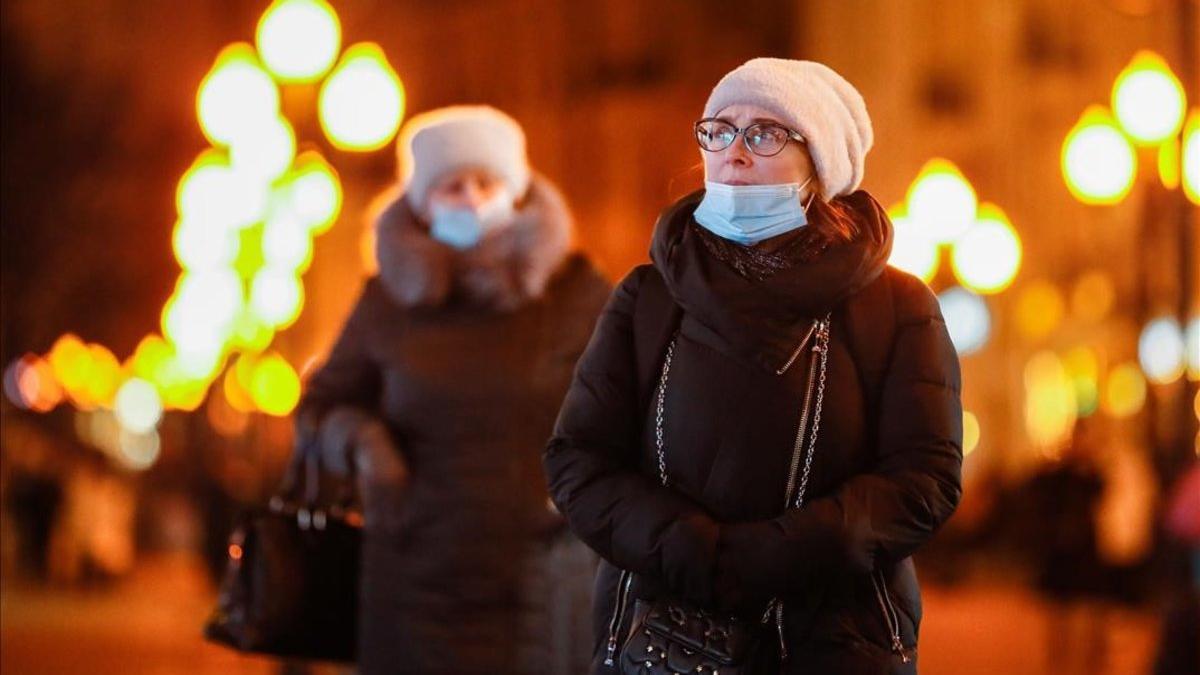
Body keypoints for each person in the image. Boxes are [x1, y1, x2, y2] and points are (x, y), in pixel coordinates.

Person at [545, 58, 963, 674]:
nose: (734, 152)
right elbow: (577, 460)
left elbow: (924, 479)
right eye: (719, 130)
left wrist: (778, 553)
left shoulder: (896, 308)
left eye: (766, 133)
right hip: (667, 640)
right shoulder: (647, 298)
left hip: (835, 645)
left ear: (820, 166)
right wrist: (680, 543)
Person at [296, 105, 612, 675]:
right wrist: (364, 443)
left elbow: (636, 406)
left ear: (515, 191)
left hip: (540, 584)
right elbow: (319, 407)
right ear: (421, 202)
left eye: (485, 182)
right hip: (415, 584)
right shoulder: (387, 303)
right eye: (450, 186)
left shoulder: (575, 296)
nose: (469, 197)